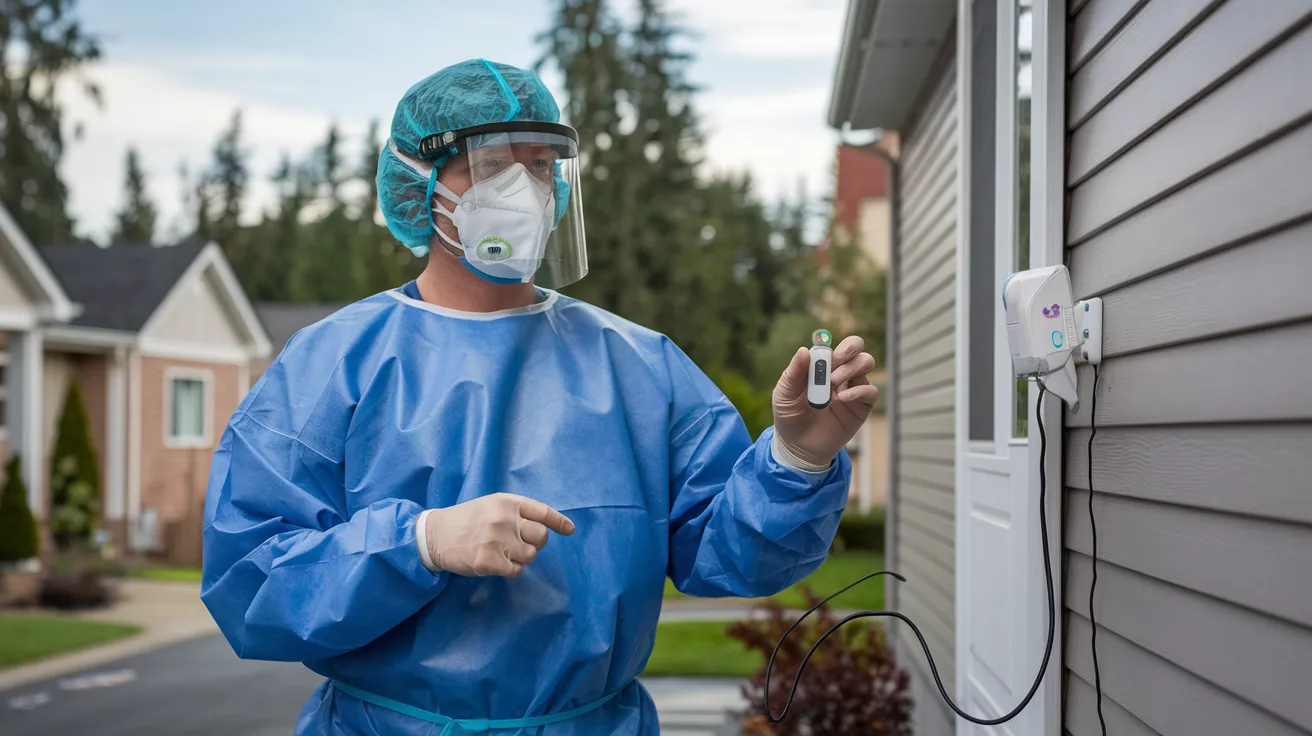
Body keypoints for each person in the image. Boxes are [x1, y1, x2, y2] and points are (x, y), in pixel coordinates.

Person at [200, 58, 878, 736]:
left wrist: (797, 458)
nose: (525, 190)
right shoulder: (333, 365)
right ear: (421, 183)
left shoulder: (637, 366)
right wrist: (420, 542)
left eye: (540, 166)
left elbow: (731, 555)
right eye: (493, 167)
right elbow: (252, 583)